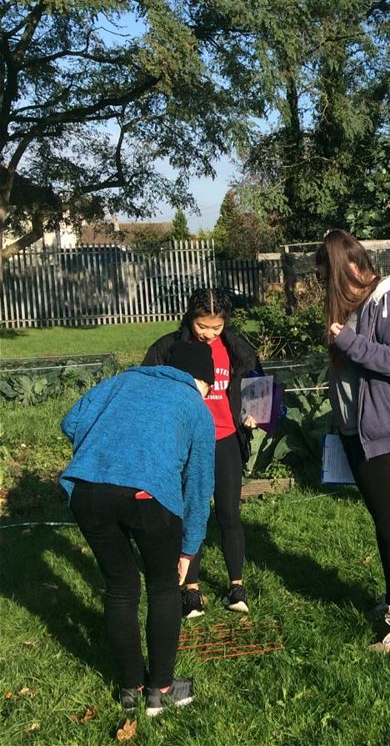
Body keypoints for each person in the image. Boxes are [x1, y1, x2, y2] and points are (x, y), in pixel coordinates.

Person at [60, 342, 216, 716]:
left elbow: (70, 420)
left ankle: (130, 688)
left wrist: (107, 454)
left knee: (120, 586)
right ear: (202, 380)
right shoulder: (194, 404)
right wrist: (189, 547)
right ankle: (160, 688)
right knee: (163, 586)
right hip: (149, 495)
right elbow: (197, 485)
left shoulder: (120, 382)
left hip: (86, 490)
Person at [316, 228, 390, 653]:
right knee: (385, 524)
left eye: (326, 278)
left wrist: (349, 342)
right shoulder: (362, 304)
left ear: (349, 267)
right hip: (360, 433)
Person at [143, 288, 262, 618]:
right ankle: (190, 589)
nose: (209, 334)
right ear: (189, 319)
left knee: (229, 514)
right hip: (188, 442)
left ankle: (236, 586)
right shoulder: (169, 348)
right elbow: (149, 387)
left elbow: (256, 382)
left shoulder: (235, 348)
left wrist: (253, 413)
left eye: (216, 327)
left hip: (225, 440)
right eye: (202, 326)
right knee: (189, 512)